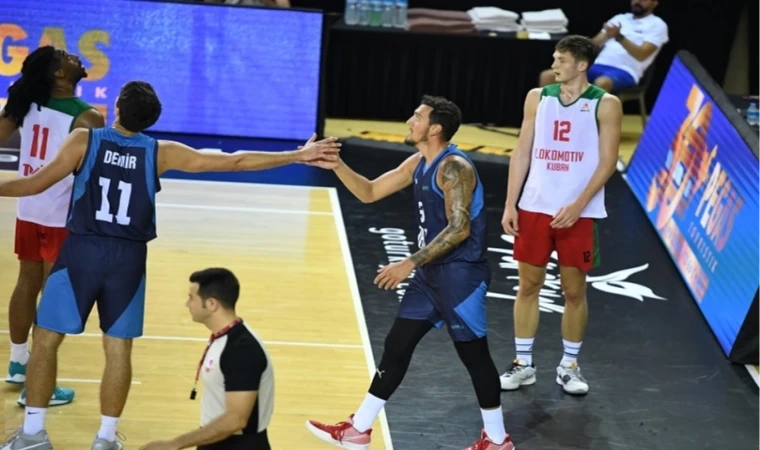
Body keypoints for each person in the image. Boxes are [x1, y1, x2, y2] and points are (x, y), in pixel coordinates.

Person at [0, 80, 339, 450]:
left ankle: (33, 434)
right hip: (128, 260)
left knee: (46, 341)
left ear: (117, 108)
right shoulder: (160, 152)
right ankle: (106, 439)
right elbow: (236, 160)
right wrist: (297, 155)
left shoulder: (84, 140)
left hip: (81, 251)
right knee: (118, 349)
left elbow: (35, 185)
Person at [305, 95, 514, 450]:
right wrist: (336, 165)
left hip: (461, 277)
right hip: (430, 275)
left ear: (435, 129)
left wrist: (409, 262)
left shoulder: (454, 168)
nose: (409, 121)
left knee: (474, 355)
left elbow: (459, 228)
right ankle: (358, 429)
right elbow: (370, 192)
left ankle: (497, 440)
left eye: (417, 117)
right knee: (397, 345)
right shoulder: (419, 161)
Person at [499, 35, 622, 396]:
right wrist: (510, 203)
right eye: (554, 58)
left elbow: (608, 162)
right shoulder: (537, 97)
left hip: (578, 213)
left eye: (562, 60)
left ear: (582, 65)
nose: (554, 65)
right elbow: (522, 152)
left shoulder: (605, 104)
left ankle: (569, 366)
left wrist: (578, 204)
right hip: (535, 206)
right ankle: (523, 363)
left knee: (574, 290)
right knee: (528, 286)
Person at [0, 45, 105, 407]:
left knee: (25, 284)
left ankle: (18, 362)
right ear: (59, 73)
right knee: (52, 296)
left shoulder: (26, 103)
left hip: (29, 207)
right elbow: (92, 177)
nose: (74, 56)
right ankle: (37, 386)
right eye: (65, 56)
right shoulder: (88, 117)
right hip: (62, 215)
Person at [139, 268, 274, 450]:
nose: (187, 304)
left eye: (191, 298)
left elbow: (236, 419)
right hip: (217, 441)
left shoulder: (242, 350)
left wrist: (174, 444)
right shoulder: (226, 337)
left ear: (211, 304)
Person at [538, 0, 668, 92]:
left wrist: (619, 37)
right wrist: (607, 35)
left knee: (601, 83)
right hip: (597, 65)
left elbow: (642, 54)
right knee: (548, 76)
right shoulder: (620, 18)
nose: (637, 1)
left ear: (654, 3)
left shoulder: (657, 25)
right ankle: (544, 117)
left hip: (625, 71)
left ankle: (586, 122)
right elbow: (592, 45)